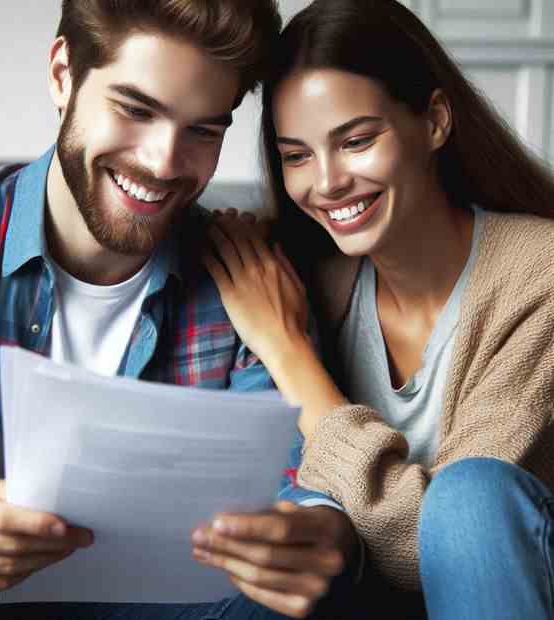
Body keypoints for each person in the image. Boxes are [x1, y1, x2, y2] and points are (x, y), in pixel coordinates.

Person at [0, 2, 358, 618]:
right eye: (135, 110)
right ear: (62, 74)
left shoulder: (240, 277)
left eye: (204, 130)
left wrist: (324, 536)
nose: (163, 164)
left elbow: (300, 485)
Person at [202, 0, 554, 618]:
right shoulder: (307, 279)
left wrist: (290, 356)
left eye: (357, 141)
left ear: (436, 121)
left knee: (469, 494)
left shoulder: (540, 275)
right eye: (297, 155)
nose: (328, 182)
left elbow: (441, 545)